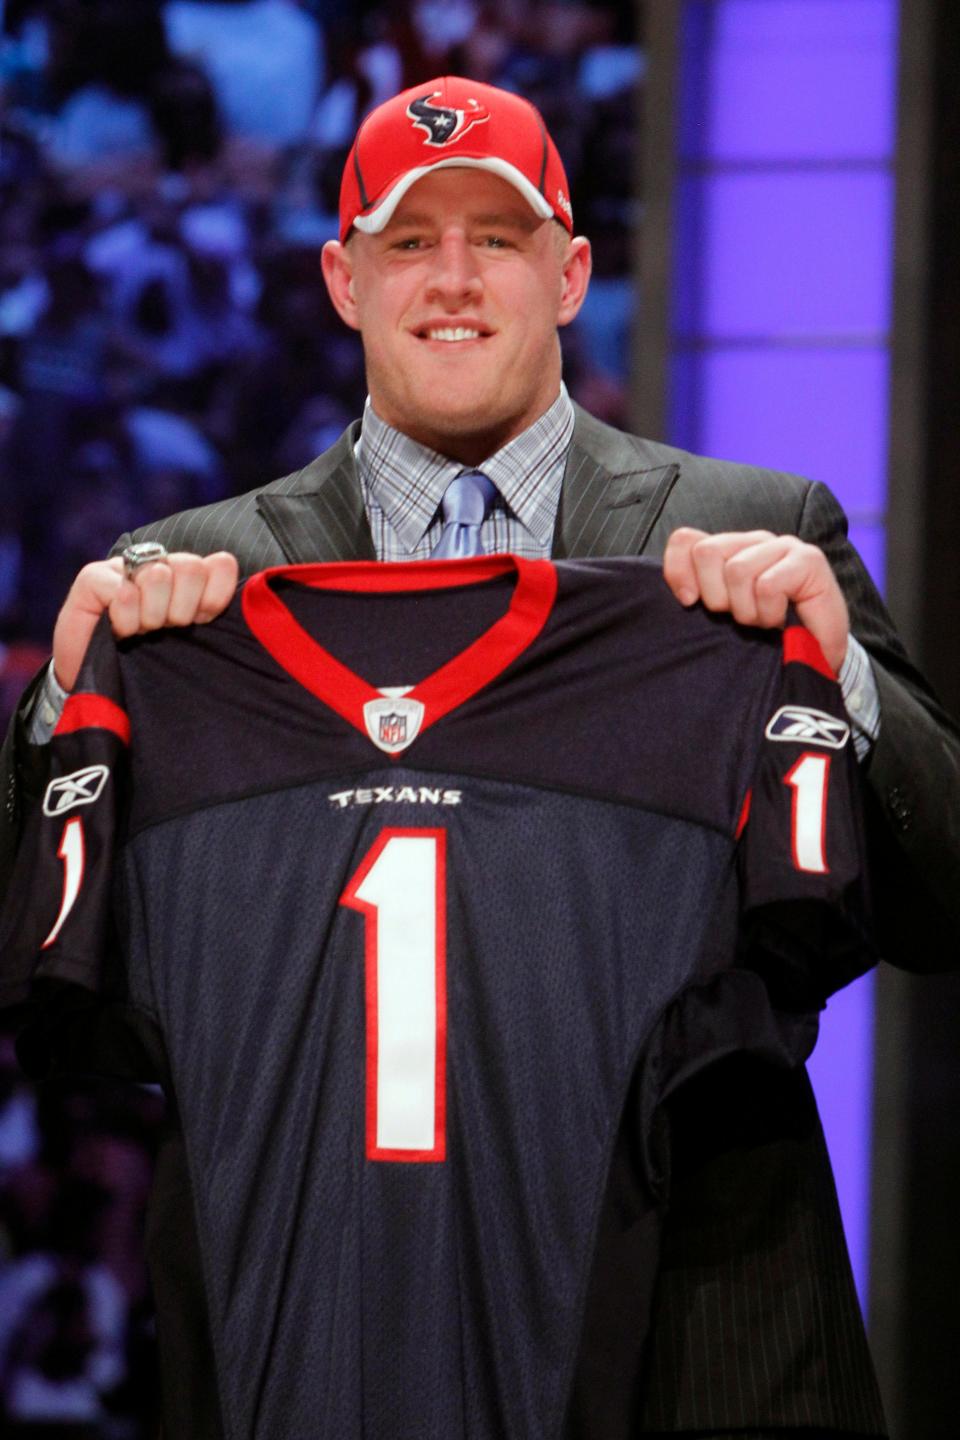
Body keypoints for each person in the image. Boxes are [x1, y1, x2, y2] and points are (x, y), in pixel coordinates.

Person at [2, 75, 958, 1440]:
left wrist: (836, 670)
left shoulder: (754, 534)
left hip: (693, 1341)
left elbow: (947, 894)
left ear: (571, 274)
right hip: (312, 1328)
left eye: (497, 239)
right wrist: (69, 701)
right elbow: (36, 957)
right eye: (409, 242)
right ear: (343, 279)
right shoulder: (190, 587)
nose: (453, 280)